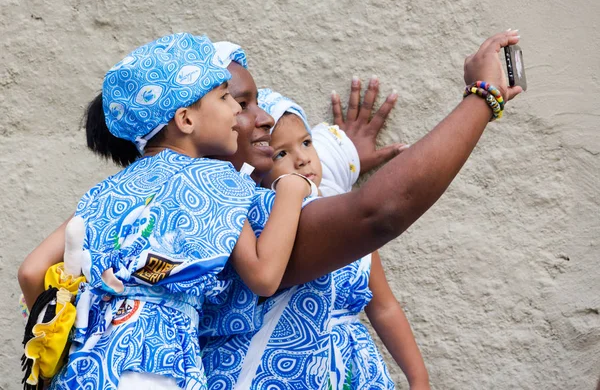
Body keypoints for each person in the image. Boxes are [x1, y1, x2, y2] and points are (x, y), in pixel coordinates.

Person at [19, 30, 522, 387]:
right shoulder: (229, 195)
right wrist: (483, 97)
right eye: (233, 99)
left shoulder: (112, 196)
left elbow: (32, 271)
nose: (253, 116)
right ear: (187, 118)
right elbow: (374, 213)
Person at [47, 33, 315, 390]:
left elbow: (33, 271)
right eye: (225, 97)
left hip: (87, 367)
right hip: (156, 367)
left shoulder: (105, 191)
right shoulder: (217, 178)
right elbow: (264, 276)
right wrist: (293, 189)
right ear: (186, 119)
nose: (236, 109)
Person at [246, 87, 430, 388]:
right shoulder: (261, 223)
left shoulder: (345, 217)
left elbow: (383, 306)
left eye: (307, 142)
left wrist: (418, 377)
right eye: (281, 153)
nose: (302, 159)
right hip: (280, 371)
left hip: (351, 371)